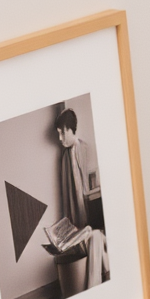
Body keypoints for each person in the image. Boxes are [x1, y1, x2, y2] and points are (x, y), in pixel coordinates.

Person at [55, 108, 109, 287]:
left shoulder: (84, 149)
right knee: (92, 239)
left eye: (64, 132)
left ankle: (96, 285)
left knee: (95, 237)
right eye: (59, 134)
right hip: (81, 227)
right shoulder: (64, 158)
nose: (61, 138)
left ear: (72, 129)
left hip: (93, 219)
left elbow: (91, 191)